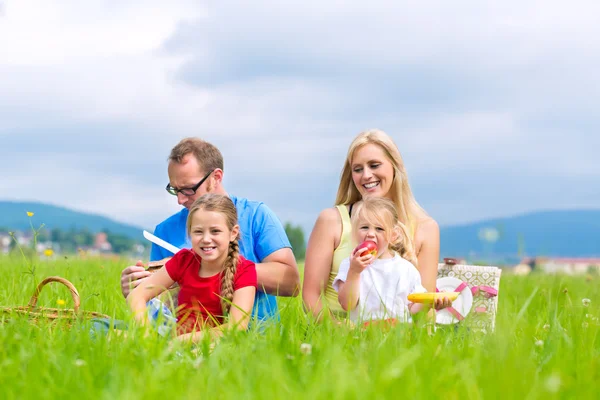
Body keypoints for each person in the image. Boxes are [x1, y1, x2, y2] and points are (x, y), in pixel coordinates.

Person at [121, 138, 300, 322]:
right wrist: (139, 288)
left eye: (189, 189)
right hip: (185, 339)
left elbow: (291, 283)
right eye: (175, 190)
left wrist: (209, 264)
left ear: (216, 177)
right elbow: (160, 308)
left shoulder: (257, 216)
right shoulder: (165, 231)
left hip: (254, 338)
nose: (180, 200)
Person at [302, 129, 449, 320]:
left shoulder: (425, 228)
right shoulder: (332, 220)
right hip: (340, 337)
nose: (366, 175)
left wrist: (434, 303)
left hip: (399, 337)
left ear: (395, 167)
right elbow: (311, 296)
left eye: (374, 165)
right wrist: (341, 334)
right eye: (358, 169)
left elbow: (421, 306)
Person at [128, 194, 256, 342]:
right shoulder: (184, 260)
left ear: (233, 233)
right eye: (198, 232)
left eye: (215, 231)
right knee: (104, 331)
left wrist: (183, 340)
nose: (206, 239)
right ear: (190, 233)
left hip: (211, 346)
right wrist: (147, 335)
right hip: (173, 341)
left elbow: (236, 328)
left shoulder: (245, 270)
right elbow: (136, 295)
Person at [333, 197, 427, 324]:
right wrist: (354, 272)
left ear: (393, 236)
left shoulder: (406, 269)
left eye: (379, 229)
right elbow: (346, 304)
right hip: (362, 334)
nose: (371, 234)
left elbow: (413, 308)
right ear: (355, 232)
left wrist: (431, 303)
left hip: (398, 334)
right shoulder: (350, 264)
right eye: (365, 227)